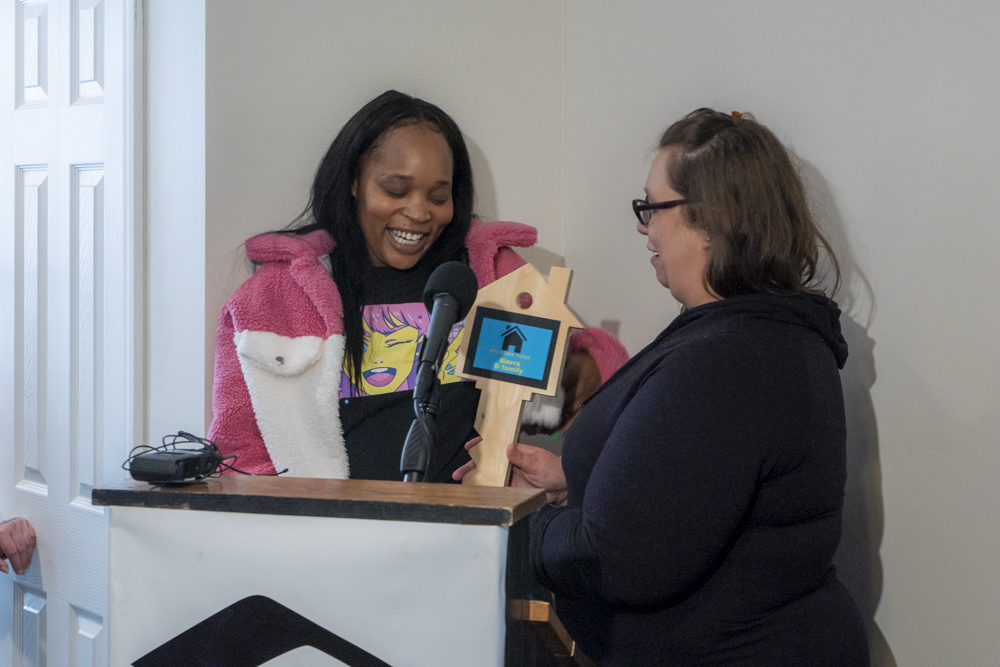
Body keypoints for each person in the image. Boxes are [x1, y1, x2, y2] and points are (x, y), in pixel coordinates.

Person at [456, 109, 870, 665]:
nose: (641, 226)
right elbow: (687, 498)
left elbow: (622, 558)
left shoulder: (731, 358)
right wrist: (572, 486)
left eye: (652, 207)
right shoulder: (750, 333)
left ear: (712, 218)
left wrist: (516, 517)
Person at [208, 90, 624, 483]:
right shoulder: (275, 298)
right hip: (327, 542)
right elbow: (239, 456)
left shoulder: (488, 274)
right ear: (354, 181)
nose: (419, 212)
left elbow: (572, 396)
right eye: (396, 189)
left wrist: (574, 380)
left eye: (439, 197)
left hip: (469, 539)